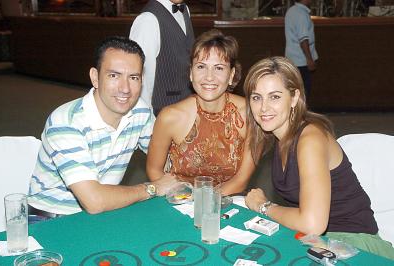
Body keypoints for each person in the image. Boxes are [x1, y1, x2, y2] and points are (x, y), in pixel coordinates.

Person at [243, 56, 394, 259]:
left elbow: (313, 223)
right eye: (256, 97)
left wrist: (264, 206)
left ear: (294, 97)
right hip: (319, 241)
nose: (263, 107)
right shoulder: (279, 138)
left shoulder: (310, 139)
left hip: (356, 245)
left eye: (275, 97)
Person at [28, 36, 177, 217]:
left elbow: (169, 159)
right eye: (114, 75)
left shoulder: (140, 112)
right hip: (50, 219)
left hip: (103, 214)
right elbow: (94, 201)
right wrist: (152, 188)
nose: (125, 88)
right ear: (95, 78)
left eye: (133, 77)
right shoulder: (66, 122)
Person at [146, 29, 256, 195]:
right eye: (201, 67)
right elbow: (154, 170)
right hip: (179, 201)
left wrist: (205, 205)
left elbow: (241, 180)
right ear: (191, 73)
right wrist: (182, 199)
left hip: (229, 202)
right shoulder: (170, 117)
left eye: (219, 68)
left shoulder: (250, 115)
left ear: (232, 74)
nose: (209, 77)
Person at [129, 0, 195, 116]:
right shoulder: (147, 20)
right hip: (161, 112)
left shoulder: (185, 10)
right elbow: (140, 77)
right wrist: (146, 121)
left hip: (186, 107)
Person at [284, 0, 318, 100]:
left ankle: (296, 114)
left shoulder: (291, 11)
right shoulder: (301, 14)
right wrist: (309, 59)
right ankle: (301, 114)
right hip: (301, 61)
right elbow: (303, 39)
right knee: (303, 92)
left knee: (295, 91)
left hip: (293, 58)